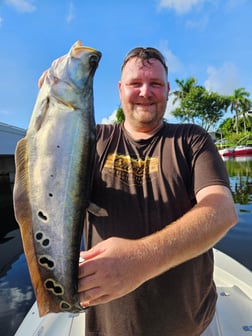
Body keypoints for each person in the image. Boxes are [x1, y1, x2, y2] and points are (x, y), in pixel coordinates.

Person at [39, 47, 237, 335]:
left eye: (155, 84)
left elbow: (222, 211)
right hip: (108, 328)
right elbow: (47, 179)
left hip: (191, 326)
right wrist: (50, 113)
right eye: (135, 84)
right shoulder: (92, 140)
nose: (145, 92)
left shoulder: (192, 139)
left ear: (168, 90)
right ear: (120, 89)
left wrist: (138, 262)